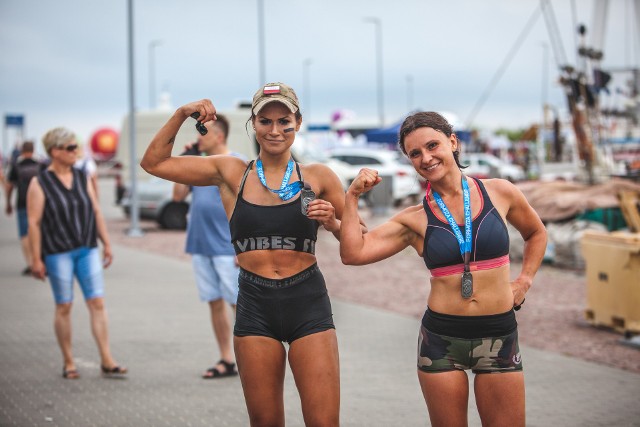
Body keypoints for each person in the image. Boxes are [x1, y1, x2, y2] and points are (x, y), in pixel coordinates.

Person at [141, 83, 357, 426]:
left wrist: (332, 221)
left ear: (297, 122)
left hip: (307, 301)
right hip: (255, 304)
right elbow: (153, 162)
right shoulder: (232, 172)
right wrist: (182, 113)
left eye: (283, 121)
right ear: (253, 124)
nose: (275, 130)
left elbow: (357, 244)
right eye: (265, 121)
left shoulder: (318, 176)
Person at [339, 112, 547, 427]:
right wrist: (352, 197)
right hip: (441, 341)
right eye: (415, 154)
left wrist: (525, 280)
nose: (426, 157)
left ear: (452, 142)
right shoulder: (414, 218)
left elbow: (536, 233)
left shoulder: (500, 192)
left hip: (499, 333)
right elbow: (353, 253)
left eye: (432, 145)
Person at [26, 127, 127, 380]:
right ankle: (68, 361)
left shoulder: (82, 176)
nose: (76, 152)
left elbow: (95, 211)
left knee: (97, 302)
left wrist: (107, 243)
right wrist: (35, 259)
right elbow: (34, 223)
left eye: (77, 147)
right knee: (64, 305)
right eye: (71, 148)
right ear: (54, 152)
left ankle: (107, 359)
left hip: (87, 248)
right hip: (58, 252)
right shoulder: (40, 182)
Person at [172, 114, 244, 379]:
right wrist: (183, 159)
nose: (199, 136)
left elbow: (247, 206)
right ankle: (226, 358)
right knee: (214, 302)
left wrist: (243, 247)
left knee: (239, 304)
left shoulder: (235, 163)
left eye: (204, 131)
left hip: (227, 248)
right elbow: (178, 196)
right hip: (200, 245)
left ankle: (249, 358)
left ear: (219, 136)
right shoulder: (198, 165)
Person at [5, 141, 43, 275]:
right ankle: (39, 258)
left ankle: (30, 263)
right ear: (33, 150)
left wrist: (8, 203)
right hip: (40, 203)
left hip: (22, 202)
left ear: (22, 151)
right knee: (38, 229)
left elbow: (9, 186)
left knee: (24, 234)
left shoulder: (16, 165)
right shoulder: (40, 164)